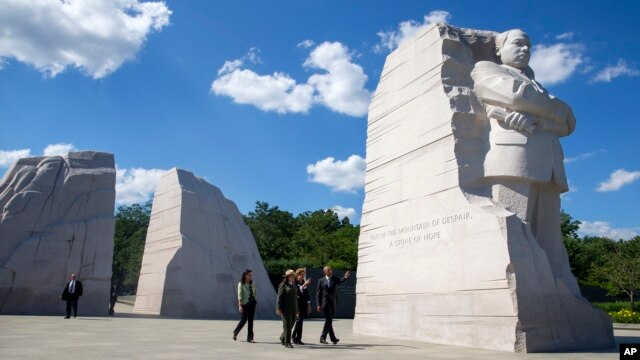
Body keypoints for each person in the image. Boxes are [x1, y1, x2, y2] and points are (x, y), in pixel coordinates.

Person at [470, 29, 580, 295]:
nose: (526, 50)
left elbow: (568, 122)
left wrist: (542, 116)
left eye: (529, 46)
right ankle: (525, 296)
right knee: (514, 232)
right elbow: (517, 97)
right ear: (499, 49)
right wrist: (551, 111)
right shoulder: (487, 68)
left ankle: (559, 296)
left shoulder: (538, 86)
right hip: (514, 159)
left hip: (550, 166)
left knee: (551, 240)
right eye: (518, 44)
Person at [316, 266, 351, 345]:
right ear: (325, 272)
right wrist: (318, 304)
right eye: (329, 270)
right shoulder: (321, 281)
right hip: (324, 303)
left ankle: (323, 338)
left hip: (333, 303)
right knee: (329, 320)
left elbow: (340, 280)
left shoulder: (334, 278)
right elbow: (318, 294)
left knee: (329, 321)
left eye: (331, 270)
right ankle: (333, 338)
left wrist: (345, 277)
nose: (330, 271)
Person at [233, 269, 258, 343]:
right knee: (244, 320)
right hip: (245, 304)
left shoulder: (253, 283)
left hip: (252, 304)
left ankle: (250, 338)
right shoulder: (241, 284)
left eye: (251, 275)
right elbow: (240, 295)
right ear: (245, 275)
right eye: (249, 275)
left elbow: (255, 292)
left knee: (251, 321)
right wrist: (240, 306)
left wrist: (255, 301)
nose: (251, 276)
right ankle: (235, 332)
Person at [276, 269, 299, 348]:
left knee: (291, 324)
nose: (293, 278)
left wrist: (297, 310)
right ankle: (287, 342)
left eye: (294, 276)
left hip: (293, 308)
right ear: (287, 277)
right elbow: (279, 297)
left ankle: (283, 337)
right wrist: (278, 308)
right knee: (287, 325)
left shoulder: (294, 285)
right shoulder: (283, 285)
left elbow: (295, 299)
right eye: (291, 276)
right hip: (285, 308)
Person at [291, 268, 312, 345]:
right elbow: (297, 291)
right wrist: (304, 285)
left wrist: (309, 305)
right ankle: (293, 336)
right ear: (297, 275)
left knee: (301, 322)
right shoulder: (295, 282)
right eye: (301, 275)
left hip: (303, 305)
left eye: (303, 275)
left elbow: (307, 295)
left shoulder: (303, 282)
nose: (303, 276)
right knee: (299, 321)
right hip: (297, 305)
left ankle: (298, 339)